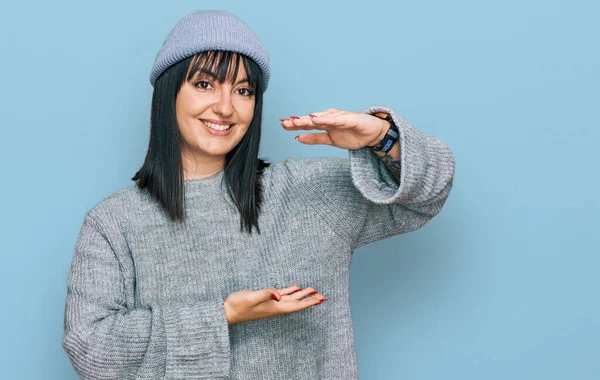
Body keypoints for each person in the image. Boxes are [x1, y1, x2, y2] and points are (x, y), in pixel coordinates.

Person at [61, 9, 455, 380]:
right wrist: (223, 315)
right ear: (169, 93)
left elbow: (427, 196)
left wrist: (383, 138)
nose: (225, 107)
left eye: (244, 90)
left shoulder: (308, 192)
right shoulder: (114, 222)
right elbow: (90, 349)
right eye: (204, 84)